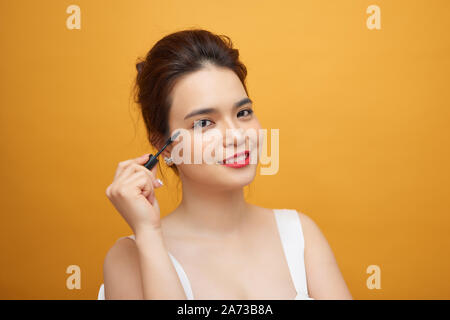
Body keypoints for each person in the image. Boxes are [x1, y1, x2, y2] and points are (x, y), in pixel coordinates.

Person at [100, 28, 352, 300]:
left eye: (243, 113)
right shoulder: (129, 258)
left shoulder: (300, 234)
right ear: (165, 145)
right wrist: (149, 233)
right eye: (204, 123)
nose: (236, 135)